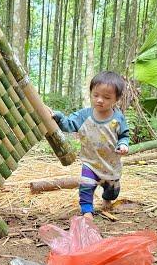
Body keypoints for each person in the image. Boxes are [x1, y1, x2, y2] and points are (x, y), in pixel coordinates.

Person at [51, 71, 130, 217]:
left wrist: (123, 145)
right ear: (91, 93)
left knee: (112, 191)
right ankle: (87, 210)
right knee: (86, 186)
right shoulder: (84, 115)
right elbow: (68, 124)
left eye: (106, 97)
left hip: (111, 164)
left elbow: (124, 135)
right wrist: (59, 118)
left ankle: (107, 198)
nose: (100, 100)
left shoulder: (118, 118)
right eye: (96, 95)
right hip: (90, 162)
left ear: (116, 99)